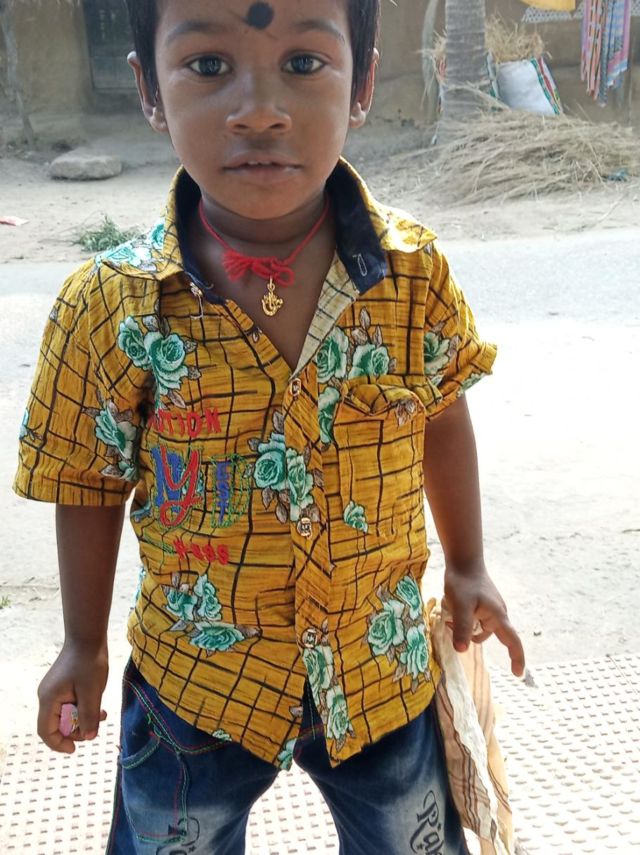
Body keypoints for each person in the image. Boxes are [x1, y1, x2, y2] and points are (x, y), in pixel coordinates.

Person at [14, 1, 525, 852]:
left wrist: (468, 563)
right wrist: (81, 643)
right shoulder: (109, 306)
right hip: (198, 680)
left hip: (378, 666)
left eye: (303, 64)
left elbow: (441, 413)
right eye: (209, 65)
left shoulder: (412, 275)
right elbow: (89, 481)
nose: (259, 109)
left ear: (362, 83)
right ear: (150, 90)